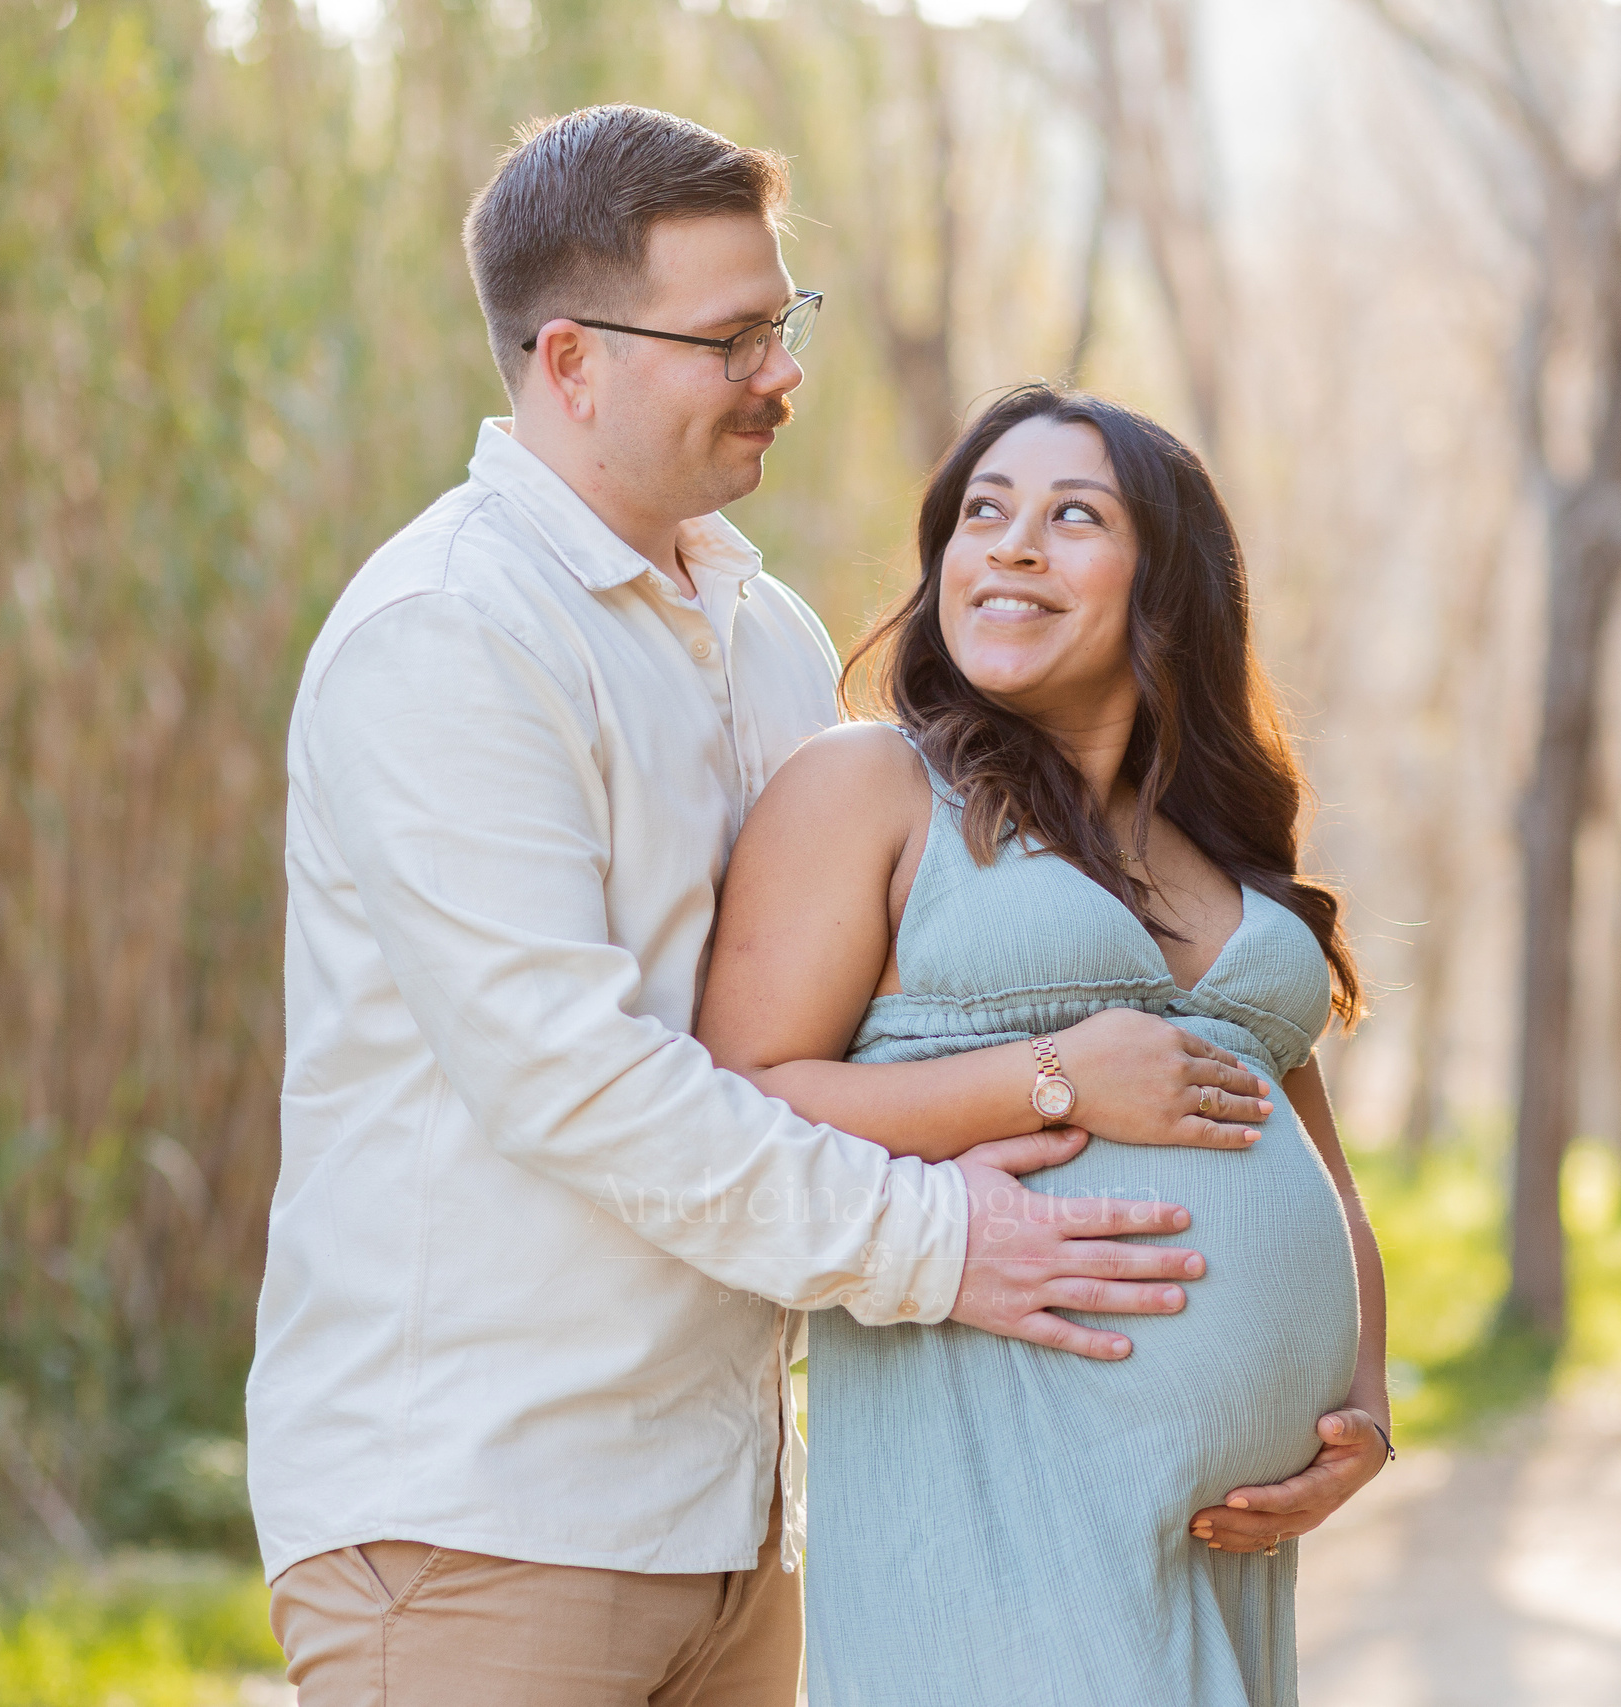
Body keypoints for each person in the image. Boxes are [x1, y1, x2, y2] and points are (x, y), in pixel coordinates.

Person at [246, 108, 1269, 1707]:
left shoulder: (763, 631)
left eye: (781, 325)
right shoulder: (451, 637)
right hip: (484, 1519)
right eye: (732, 338)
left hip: (736, 1520)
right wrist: (953, 1247)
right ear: (572, 362)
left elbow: (875, 1006)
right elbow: (579, 1084)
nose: (782, 373)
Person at [697, 383, 1394, 1706]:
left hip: (1228, 1548)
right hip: (998, 1498)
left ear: (1166, 584)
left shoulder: (1223, 853)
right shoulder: (875, 787)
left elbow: (1317, 1165)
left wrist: (1361, 1400)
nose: (1010, 544)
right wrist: (1056, 1076)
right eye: (983, 512)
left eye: (1073, 516)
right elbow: (738, 1099)